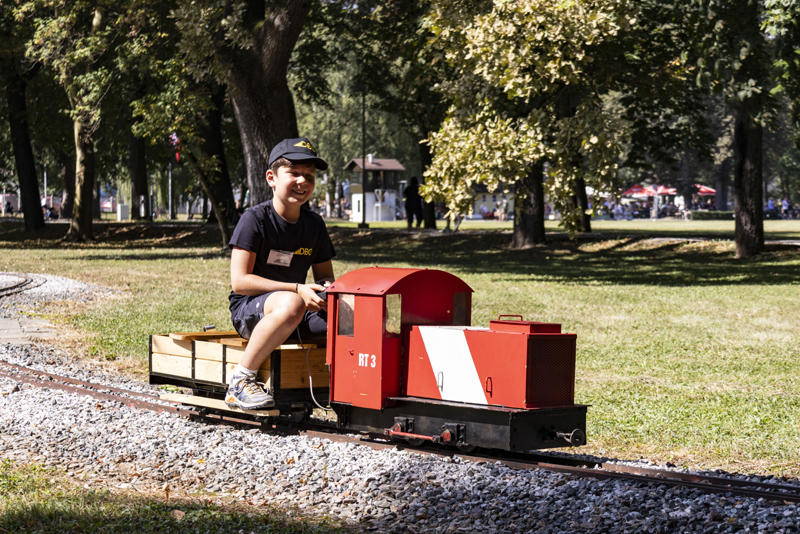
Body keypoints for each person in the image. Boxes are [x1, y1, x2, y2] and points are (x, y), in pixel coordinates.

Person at [226, 138, 336, 410]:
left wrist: (328, 295)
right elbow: (240, 282)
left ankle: (346, 388)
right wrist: (297, 288)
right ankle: (241, 381)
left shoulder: (314, 224)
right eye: (294, 173)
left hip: (297, 310)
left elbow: (325, 279)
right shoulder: (254, 219)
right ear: (271, 178)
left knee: (349, 318)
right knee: (292, 303)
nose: (302, 181)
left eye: (309, 176)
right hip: (250, 310)